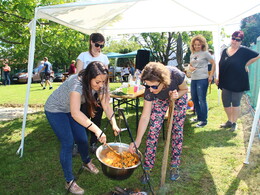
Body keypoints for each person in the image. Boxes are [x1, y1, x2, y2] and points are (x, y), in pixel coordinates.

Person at [44, 61, 120, 195]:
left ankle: (86, 162)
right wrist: (97, 130)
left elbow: (106, 106)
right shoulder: (77, 83)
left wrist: (114, 123)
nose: (101, 85)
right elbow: (75, 113)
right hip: (55, 110)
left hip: (70, 109)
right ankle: (69, 181)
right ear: (88, 77)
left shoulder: (100, 82)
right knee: (68, 142)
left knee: (82, 139)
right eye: (97, 82)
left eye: (103, 81)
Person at [129, 62, 188, 183]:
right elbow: (145, 116)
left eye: (154, 86)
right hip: (160, 99)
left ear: (163, 81)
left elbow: (185, 89)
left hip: (178, 97)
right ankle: (147, 168)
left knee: (177, 130)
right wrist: (137, 140)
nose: (150, 89)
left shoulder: (175, 75)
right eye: (147, 85)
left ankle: (174, 166)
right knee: (153, 130)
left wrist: (176, 96)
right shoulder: (150, 89)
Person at [216, 30, 260, 132]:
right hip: (226, 80)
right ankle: (229, 121)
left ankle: (234, 123)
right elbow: (221, 65)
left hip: (239, 80)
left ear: (241, 41)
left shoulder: (243, 51)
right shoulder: (225, 51)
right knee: (226, 101)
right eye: (233, 38)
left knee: (235, 102)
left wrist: (246, 64)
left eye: (237, 40)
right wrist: (218, 77)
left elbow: (258, 55)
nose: (234, 41)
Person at [76, 33, 109, 153]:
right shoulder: (83, 56)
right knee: (83, 118)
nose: (99, 48)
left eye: (102, 45)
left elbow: (105, 78)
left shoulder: (104, 58)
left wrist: (105, 93)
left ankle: (93, 142)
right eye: (97, 45)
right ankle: (80, 143)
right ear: (91, 42)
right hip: (85, 93)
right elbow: (78, 75)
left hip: (98, 93)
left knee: (97, 118)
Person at [189, 35, 216, 127]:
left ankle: (204, 120)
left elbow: (213, 63)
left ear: (202, 45)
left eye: (199, 45)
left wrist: (211, 75)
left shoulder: (205, 53)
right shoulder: (192, 54)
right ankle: (199, 117)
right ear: (192, 45)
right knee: (194, 98)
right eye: (195, 44)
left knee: (202, 99)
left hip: (202, 79)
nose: (197, 46)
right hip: (193, 78)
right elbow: (191, 65)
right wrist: (190, 67)